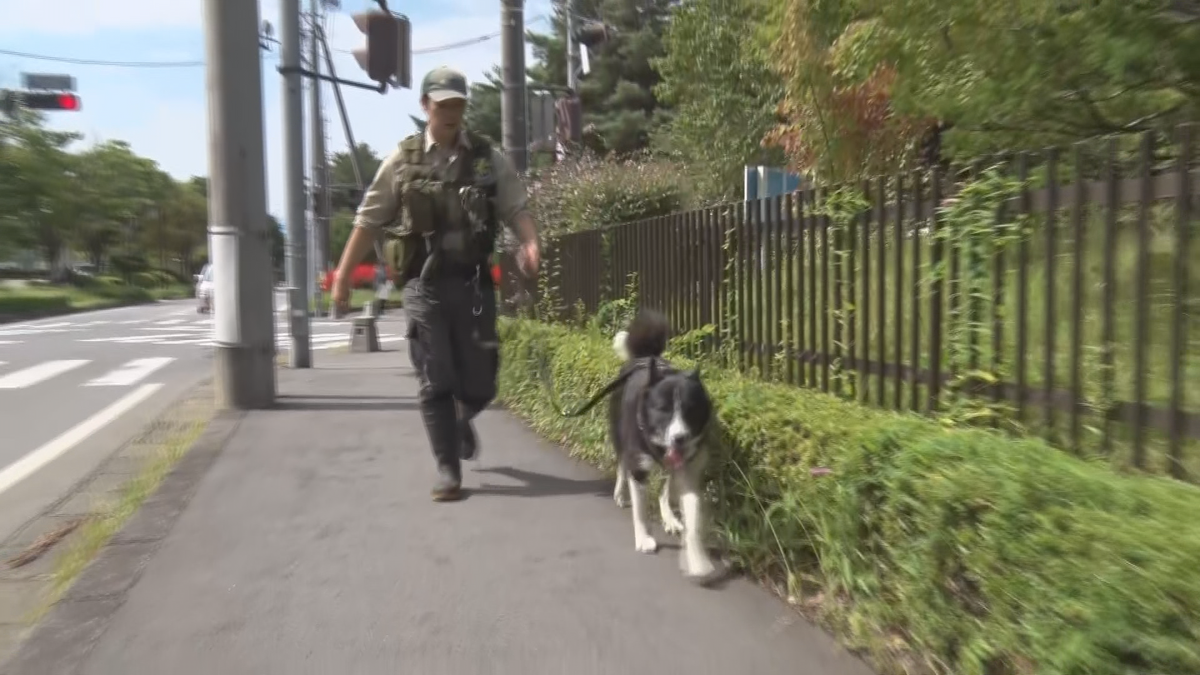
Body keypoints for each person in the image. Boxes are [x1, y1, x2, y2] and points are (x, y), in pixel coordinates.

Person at [331, 65, 540, 502]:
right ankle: (448, 468)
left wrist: (530, 243)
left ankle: (461, 418)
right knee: (434, 374)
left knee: (483, 381)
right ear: (426, 105)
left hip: (474, 283)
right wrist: (344, 278)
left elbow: (515, 205)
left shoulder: (486, 158)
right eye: (443, 104)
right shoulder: (402, 161)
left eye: (458, 104)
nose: (451, 112)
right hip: (423, 285)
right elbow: (368, 221)